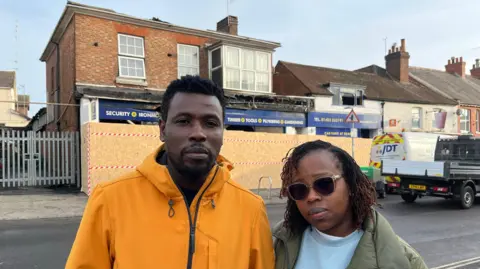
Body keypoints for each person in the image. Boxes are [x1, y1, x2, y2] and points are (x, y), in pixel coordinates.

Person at [66, 76, 275, 269]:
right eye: (183, 121)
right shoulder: (110, 200)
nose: (198, 133)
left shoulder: (251, 210)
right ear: (162, 130)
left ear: (222, 133)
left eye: (210, 123)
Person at [272, 140, 428, 269]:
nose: (311, 197)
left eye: (324, 184)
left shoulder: (405, 261)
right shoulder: (275, 245)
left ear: (350, 185)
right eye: (299, 189)